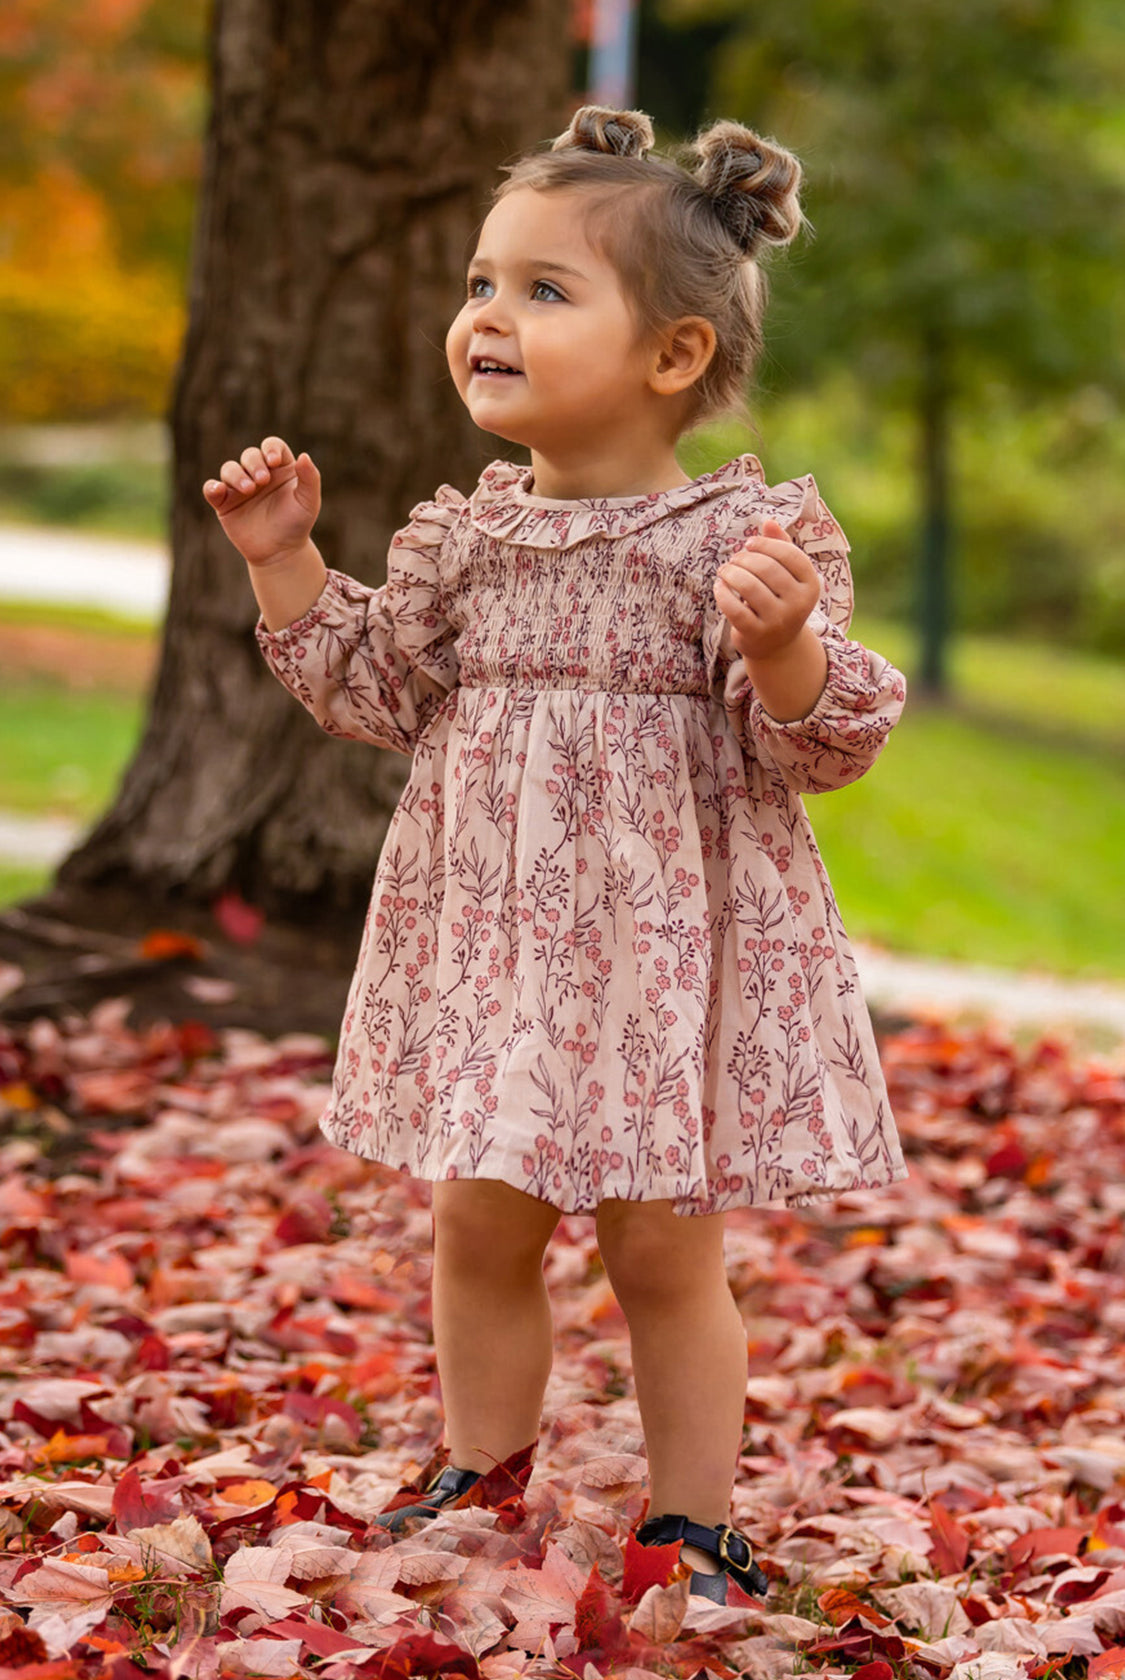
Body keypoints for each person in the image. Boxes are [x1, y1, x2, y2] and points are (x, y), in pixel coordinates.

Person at [202, 104, 908, 1605]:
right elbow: (374, 693)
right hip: (501, 951)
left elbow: (820, 745)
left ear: (671, 359)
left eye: (541, 289)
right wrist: (285, 562)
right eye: (477, 284)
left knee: (660, 1251)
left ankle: (692, 1520)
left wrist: (780, 645)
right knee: (477, 1219)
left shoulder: (740, 541)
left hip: (655, 967)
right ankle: (481, 1459)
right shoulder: (465, 543)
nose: (486, 318)